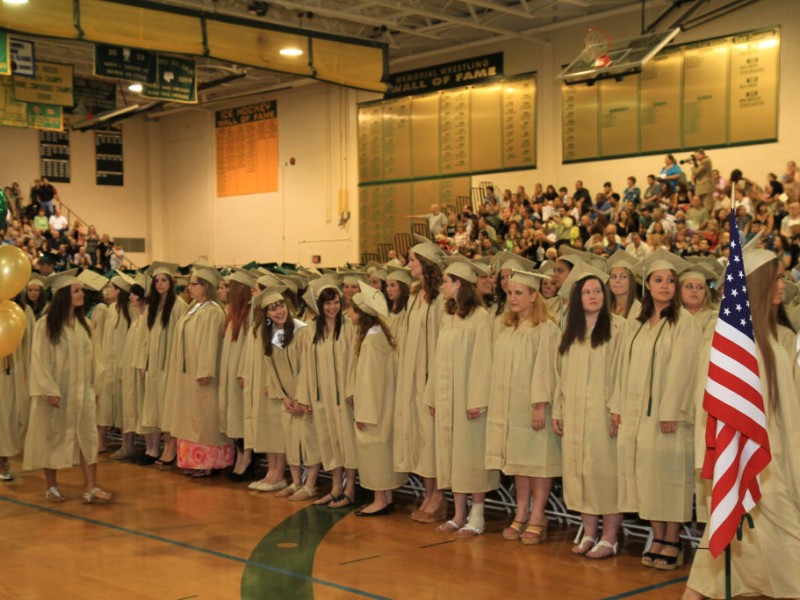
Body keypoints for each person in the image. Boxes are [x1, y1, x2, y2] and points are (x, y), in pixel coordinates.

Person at [683, 250, 800, 600]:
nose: (782, 285)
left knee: (724, 559)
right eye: (775, 278)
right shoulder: (730, 345)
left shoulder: (771, 339)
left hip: (771, 463)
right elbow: (711, 410)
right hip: (753, 468)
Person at [611, 249, 702, 570]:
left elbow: (683, 370)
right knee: (644, 476)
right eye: (658, 280)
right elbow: (622, 367)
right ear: (647, 285)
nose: (665, 285)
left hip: (668, 417)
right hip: (635, 416)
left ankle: (672, 539)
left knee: (669, 476)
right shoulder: (636, 323)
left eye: (671, 281)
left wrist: (671, 412)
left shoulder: (685, 323)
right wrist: (617, 407)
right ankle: (657, 534)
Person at [553, 263, 625, 558]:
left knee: (605, 474)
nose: (593, 296)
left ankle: (610, 536)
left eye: (597, 291)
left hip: (603, 414)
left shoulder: (619, 329)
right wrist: (558, 409)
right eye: (587, 292)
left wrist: (617, 410)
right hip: (574, 414)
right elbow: (560, 376)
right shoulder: (570, 332)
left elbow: (623, 373)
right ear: (578, 298)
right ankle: (589, 533)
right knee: (579, 473)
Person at [23, 270, 112, 503]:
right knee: (51, 437)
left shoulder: (85, 325)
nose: (82, 294)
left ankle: (91, 487)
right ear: (64, 295)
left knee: (88, 438)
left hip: (83, 393)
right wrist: (48, 389)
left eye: (81, 290)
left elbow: (96, 359)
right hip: (57, 393)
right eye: (77, 290)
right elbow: (39, 359)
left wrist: (96, 388)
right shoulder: (47, 325)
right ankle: (52, 486)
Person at [485, 269, 561, 544]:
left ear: (533, 296)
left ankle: (538, 514)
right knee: (519, 462)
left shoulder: (546, 329)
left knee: (538, 462)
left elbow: (546, 370)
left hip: (533, 406)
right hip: (509, 406)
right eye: (509, 293)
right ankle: (521, 511)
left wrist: (539, 404)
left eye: (519, 293)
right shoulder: (506, 327)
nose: (513, 298)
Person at [424, 258, 498, 536]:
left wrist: (477, 399)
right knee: (452, 455)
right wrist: (432, 395)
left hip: (469, 400)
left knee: (471, 457)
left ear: (459, 284)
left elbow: (484, 361)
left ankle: (477, 516)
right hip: (446, 398)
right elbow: (437, 359)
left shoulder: (480, 318)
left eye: (446, 281)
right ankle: (458, 514)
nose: (442, 286)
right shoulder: (448, 316)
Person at [395, 235, 447, 522]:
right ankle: (429, 493)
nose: (409, 264)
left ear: (425, 264)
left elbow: (441, 343)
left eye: (413, 260)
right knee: (420, 436)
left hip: (430, 377)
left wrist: (435, 382)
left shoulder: (440, 299)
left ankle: (439, 496)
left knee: (431, 437)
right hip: (412, 375)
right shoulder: (415, 297)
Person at [296, 282, 357, 508]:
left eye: (336, 302)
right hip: (321, 397)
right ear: (319, 305)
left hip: (343, 398)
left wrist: (351, 392)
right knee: (328, 441)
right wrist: (305, 396)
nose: (332, 307)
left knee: (346, 442)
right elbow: (306, 366)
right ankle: (335, 487)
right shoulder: (311, 331)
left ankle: (350, 488)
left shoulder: (349, 328)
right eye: (327, 303)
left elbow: (354, 363)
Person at [168, 266, 233, 477]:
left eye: (194, 284)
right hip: (188, 374)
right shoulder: (194, 307)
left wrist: (204, 370)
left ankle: (207, 462)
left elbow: (209, 344)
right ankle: (193, 461)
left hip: (203, 376)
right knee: (190, 418)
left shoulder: (212, 311)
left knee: (203, 419)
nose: (190, 288)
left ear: (206, 287)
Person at [349, 282, 407, 515]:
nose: (348, 314)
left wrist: (363, 414)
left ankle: (381, 500)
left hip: (374, 409)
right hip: (384, 405)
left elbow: (369, 382)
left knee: (375, 455)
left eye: (351, 309)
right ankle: (385, 498)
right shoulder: (380, 334)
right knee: (381, 454)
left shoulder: (372, 342)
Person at [258, 288, 321, 500]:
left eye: (281, 306)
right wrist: (285, 398)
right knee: (291, 443)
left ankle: (310, 485)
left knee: (309, 441)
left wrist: (302, 399)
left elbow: (309, 367)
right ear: (266, 314)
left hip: (305, 399)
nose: (278, 312)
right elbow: (272, 370)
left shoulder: (302, 331)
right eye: (272, 309)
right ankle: (296, 482)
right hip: (287, 400)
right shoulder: (269, 336)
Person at [134, 262, 188, 465]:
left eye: (164, 280)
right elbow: (144, 337)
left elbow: (180, 338)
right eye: (156, 281)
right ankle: (158, 447)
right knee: (156, 407)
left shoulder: (179, 305)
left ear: (171, 283)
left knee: (169, 407)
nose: (160, 284)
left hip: (169, 365)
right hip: (153, 366)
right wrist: (142, 363)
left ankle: (171, 447)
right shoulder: (152, 306)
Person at [218, 269, 257, 481]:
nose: (224, 291)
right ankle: (240, 456)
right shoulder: (232, 313)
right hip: (229, 373)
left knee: (242, 419)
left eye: (228, 288)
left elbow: (249, 348)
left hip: (241, 374)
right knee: (233, 418)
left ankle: (247, 458)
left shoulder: (251, 314)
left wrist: (243, 372)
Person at [98, 273, 133, 459]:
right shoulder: (110, 309)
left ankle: (126, 444)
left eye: (111, 287)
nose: (108, 290)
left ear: (120, 291)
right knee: (105, 404)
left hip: (123, 362)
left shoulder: (130, 310)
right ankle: (101, 441)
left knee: (123, 404)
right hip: (108, 363)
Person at [607, 251, 641, 319]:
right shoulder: (605, 308)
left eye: (623, 277)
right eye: (613, 277)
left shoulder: (639, 311)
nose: (617, 281)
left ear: (631, 281)